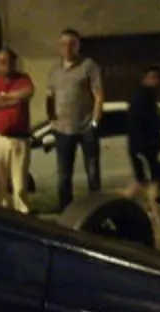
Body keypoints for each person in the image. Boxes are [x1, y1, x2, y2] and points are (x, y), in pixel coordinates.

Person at [47, 28, 104, 211]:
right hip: (63, 129)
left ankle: (96, 210)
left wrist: (95, 121)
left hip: (86, 127)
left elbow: (98, 95)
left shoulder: (88, 66)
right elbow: (49, 96)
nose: (67, 48)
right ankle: (66, 212)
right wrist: (51, 121)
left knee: (93, 173)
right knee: (64, 176)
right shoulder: (54, 71)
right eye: (63, 44)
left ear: (77, 45)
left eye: (71, 44)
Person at [0, 47, 34, 213]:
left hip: (20, 139)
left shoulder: (23, 79)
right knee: (0, 183)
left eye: (8, 61)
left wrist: (3, 97)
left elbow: (27, 93)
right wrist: (12, 100)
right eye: (1, 61)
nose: (5, 65)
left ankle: (23, 214)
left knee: (19, 184)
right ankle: (1, 213)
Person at [124, 66, 160, 223]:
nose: (156, 81)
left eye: (157, 77)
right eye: (152, 77)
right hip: (143, 146)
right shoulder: (142, 97)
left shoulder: (148, 96)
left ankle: (155, 212)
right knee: (147, 180)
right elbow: (143, 123)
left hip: (146, 146)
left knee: (144, 180)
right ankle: (155, 212)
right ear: (145, 78)